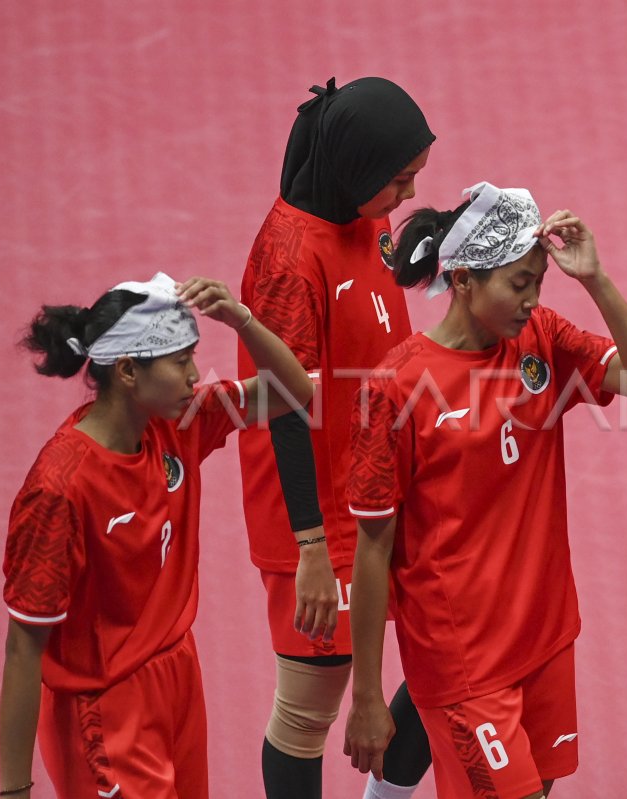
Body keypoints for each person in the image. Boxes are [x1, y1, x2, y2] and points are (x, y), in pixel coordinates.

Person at [342, 182, 627, 799]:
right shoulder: (394, 388)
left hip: (544, 633)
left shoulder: (540, 338)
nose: (531, 299)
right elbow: (372, 550)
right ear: (464, 280)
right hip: (461, 658)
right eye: (518, 284)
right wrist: (366, 696)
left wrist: (596, 280)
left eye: (538, 283)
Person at [0, 273, 313, 799]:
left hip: (176, 679)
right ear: (127, 372)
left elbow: (294, 392)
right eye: (180, 360)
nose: (195, 375)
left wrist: (242, 319)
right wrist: (12, 791)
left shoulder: (177, 422)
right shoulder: (59, 490)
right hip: (104, 709)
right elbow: (22, 648)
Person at [236, 76, 437, 799]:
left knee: (455, 650)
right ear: (355, 166)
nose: (407, 192)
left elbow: (381, 311)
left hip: (388, 485)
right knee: (310, 708)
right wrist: (311, 549)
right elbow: (287, 409)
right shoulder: (292, 259)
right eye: (401, 179)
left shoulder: (367, 215)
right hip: (319, 513)